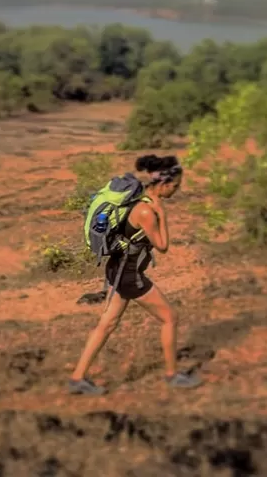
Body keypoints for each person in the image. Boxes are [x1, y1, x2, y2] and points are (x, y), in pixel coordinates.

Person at [68, 154, 202, 395]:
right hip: (129, 275)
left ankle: (78, 378)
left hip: (117, 269)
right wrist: (162, 215)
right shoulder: (146, 211)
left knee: (107, 324)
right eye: (175, 185)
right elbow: (162, 245)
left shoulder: (139, 197)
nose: (176, 190)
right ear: (164, 183)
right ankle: (172, 375)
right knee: (170, 318)